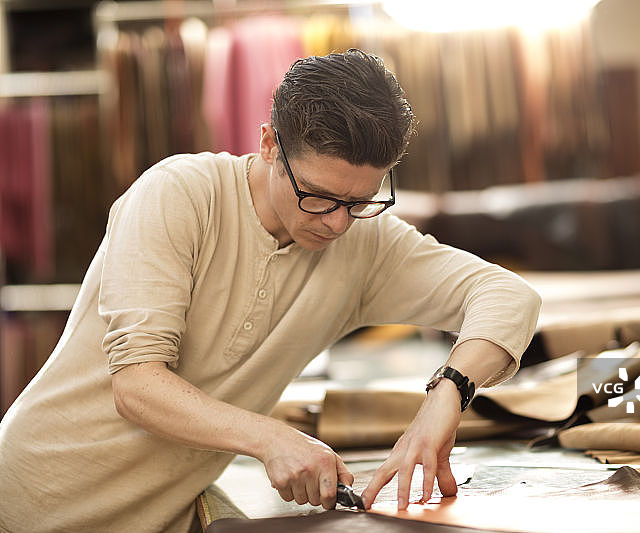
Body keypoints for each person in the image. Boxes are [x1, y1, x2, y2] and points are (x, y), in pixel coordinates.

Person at [0, 49, 540, 533]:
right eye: (318, 196)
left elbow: (508, 296)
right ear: (267, 145)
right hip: (34, 500)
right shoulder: (179, 194)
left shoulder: (366, 245)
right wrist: (273, 438)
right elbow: (137, 385)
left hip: (161, 515)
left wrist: (446, 395)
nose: (336, 225)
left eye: (360, 202)